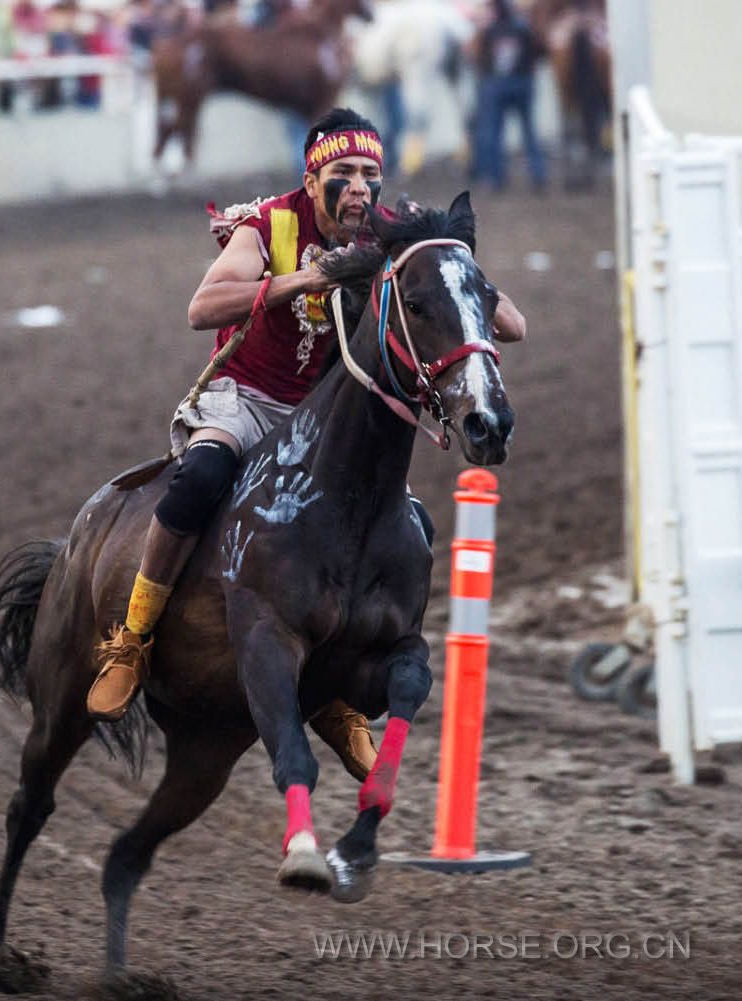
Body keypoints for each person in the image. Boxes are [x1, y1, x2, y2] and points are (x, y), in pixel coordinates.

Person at [87, 108, 527, 782]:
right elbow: (201, 308)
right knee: (201, 478)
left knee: (399, 520)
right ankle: (133, 638)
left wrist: (436, 249)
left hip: (320, 415)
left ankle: (341, 699)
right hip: (245, 397)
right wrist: (309, 279)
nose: (358, 189)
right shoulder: (271, 224)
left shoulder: (386, 234)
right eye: (343, 174)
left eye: (370, 176)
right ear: (311, 177)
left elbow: (508, 322)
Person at [470, 0, 546, 193]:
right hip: (521, 83)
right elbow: (538, 53)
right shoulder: (524, 29)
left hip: (496, 85)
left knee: (494, 132)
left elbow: (480, 58)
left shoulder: (489, 31)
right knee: (529, 132)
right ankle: (538, 175)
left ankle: (495, 178)